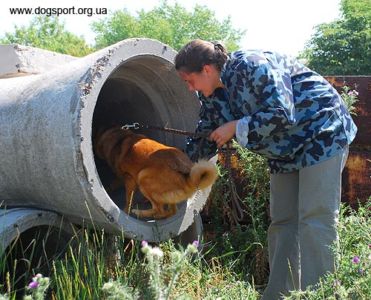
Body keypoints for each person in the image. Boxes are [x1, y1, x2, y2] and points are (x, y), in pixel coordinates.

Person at [174, 39, 357, 299]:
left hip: (321, 133)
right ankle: (280, 293)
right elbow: (206, 135)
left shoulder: (252, 65)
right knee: (283, 220)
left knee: (314, 218)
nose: (189, 87)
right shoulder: (213, 96)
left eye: (188, 80)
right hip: (285, 151)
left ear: (206, 69)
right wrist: (176, 165)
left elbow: (282, 112)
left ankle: (322, 294)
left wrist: (236, 126)